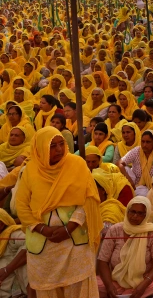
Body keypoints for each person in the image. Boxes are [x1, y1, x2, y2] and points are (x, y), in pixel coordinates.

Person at [16, 127, 101, 298]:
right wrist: (41, 229)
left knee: (79, 288)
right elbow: (21, 205)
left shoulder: (77, 165)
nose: (59, 149)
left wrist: (69, 228)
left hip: (74, 242)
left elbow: (89, 199)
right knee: (47, 290)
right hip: (43, 246)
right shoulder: (30, 170)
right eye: (52, 146)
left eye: (61, 144)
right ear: (40, 148)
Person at [96, 196, 153, 298]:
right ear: (127, 212)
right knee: (94, 283)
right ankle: (127, 294)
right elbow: (102, 260)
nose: (135, 216)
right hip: (116, 281)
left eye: (140, 213)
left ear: (146, 215)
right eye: (132, 212)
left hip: (143, 281)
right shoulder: (115, 230)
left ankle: (129, 294)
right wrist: (109, 285)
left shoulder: (152, 232)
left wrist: (143, 285)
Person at [119, 130, 153, 196]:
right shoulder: (137, 151)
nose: (144, 145)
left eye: (148, 142)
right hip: (134, 182)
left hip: (151, 187)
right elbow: (119, 163)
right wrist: (130, 181)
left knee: (142, 194)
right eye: (143, 141)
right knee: (123, 169)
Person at [0, 208, 27, 298]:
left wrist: (7, 270)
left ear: (1, 224)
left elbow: (31, 244)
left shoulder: (12, 233)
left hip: (17, 293)